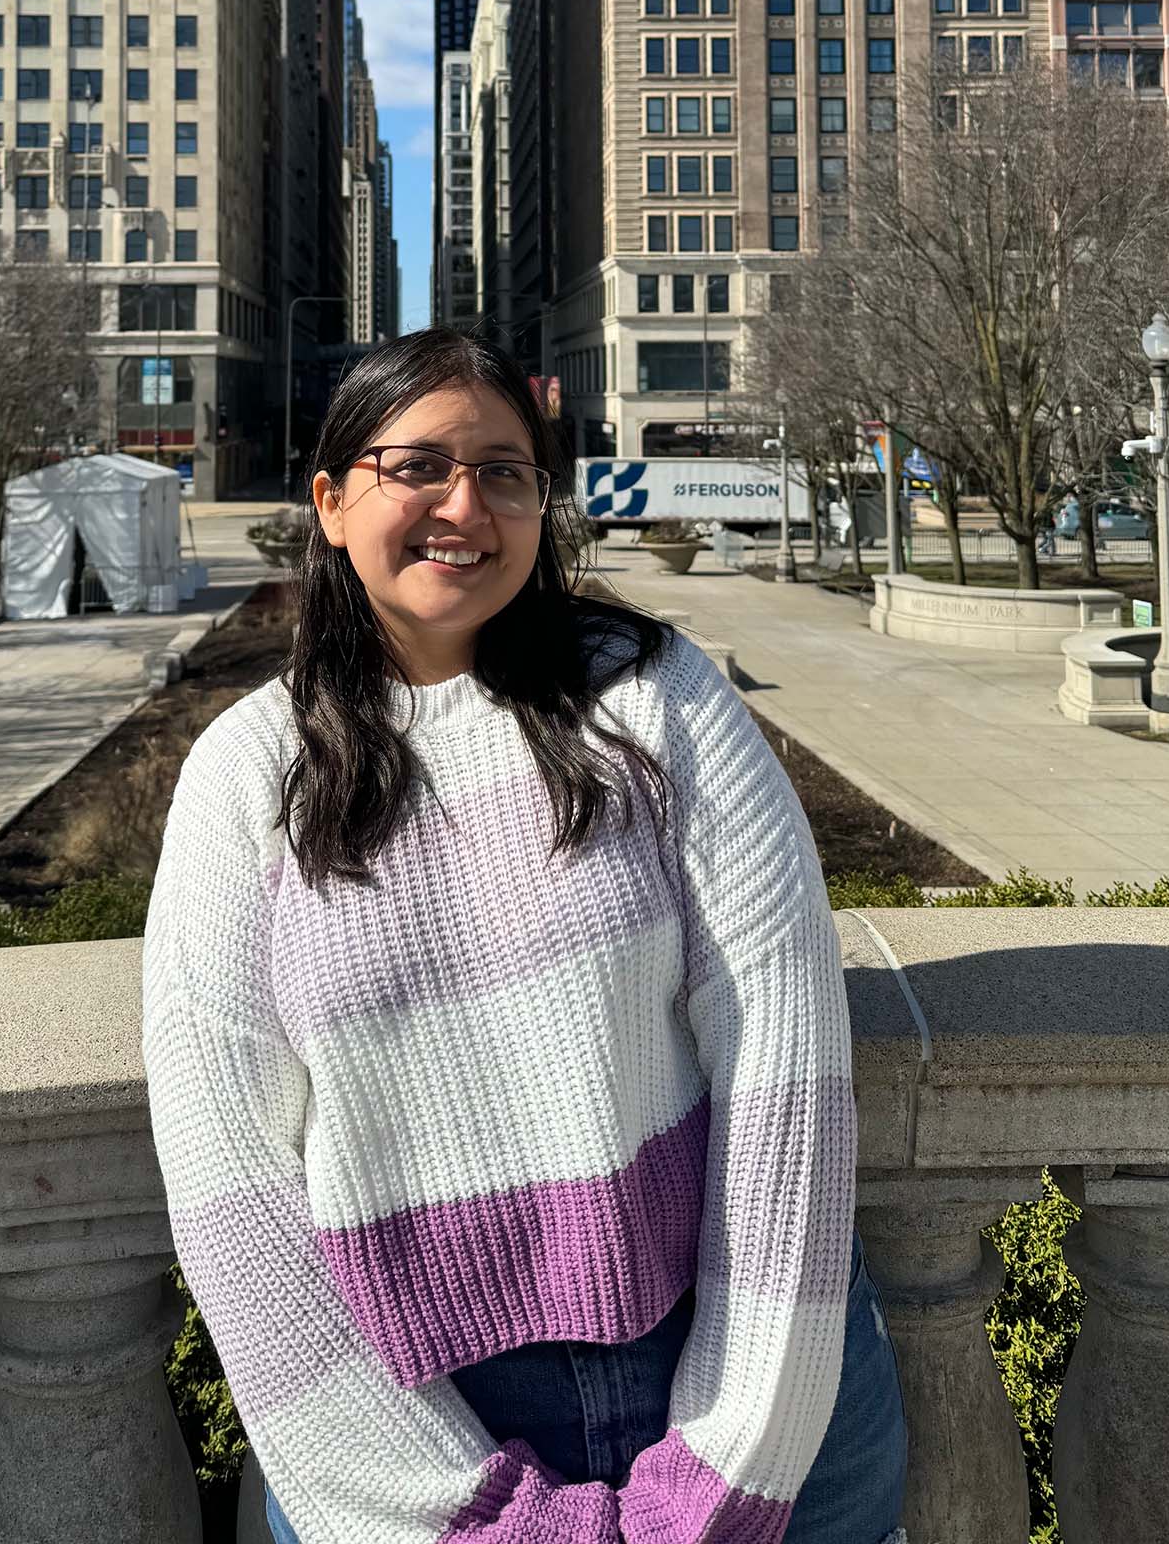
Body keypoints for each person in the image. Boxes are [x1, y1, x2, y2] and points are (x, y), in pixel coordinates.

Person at [143, 328, 906, 1544]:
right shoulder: (245, 776)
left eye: (507, 471)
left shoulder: (656, 697)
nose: (467, 505)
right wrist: (468, 1519)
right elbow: (231, 1179)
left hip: (740, 1378)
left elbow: (785, 1064)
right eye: (422, 468)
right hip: (415, 1428)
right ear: (332, 503)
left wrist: (730, 1463)